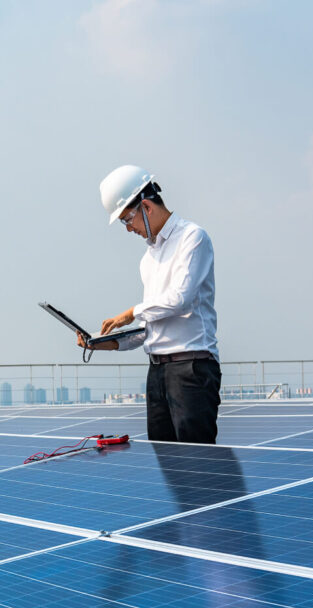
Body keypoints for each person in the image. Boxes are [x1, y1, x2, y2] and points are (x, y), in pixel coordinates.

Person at [77, 165, 221, 444]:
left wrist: (130, 313)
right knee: (166, 463)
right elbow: (149, 326)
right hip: (157, 373)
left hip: (191, 369)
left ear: (146, 206)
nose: (129, 229)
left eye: (127, 220)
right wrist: (104, 343)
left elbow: (180, 299)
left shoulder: (192, 238)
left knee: (198, 466)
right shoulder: (148, 258)